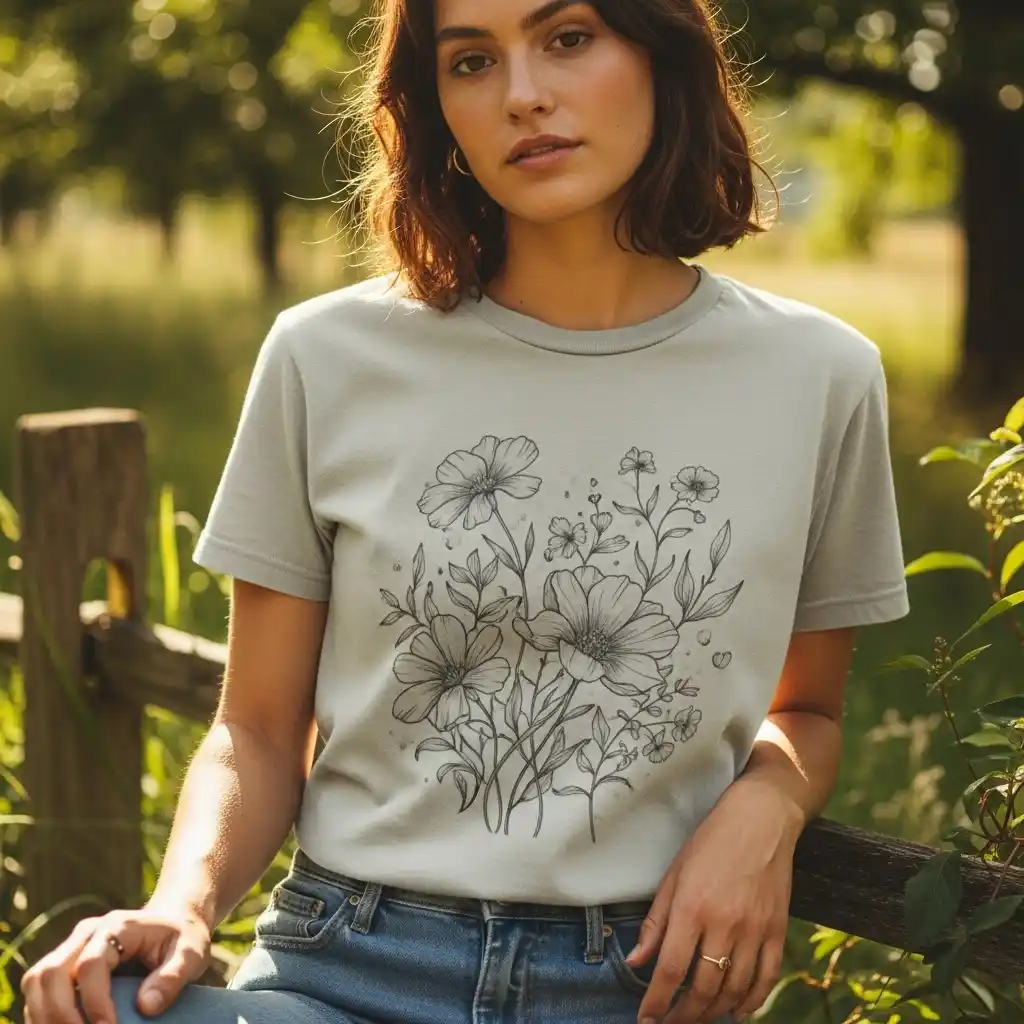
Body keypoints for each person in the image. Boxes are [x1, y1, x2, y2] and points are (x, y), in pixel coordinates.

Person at [21, 0, 911, 1021]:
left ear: (663, 55)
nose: (522, 94)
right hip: (340, 965)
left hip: (637, 985)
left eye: (567, 39)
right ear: (435, 105)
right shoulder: (326, 357)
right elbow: (259, 727)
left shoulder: (820, 375)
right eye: (472, 61)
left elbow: (808, 711)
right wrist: (181, 902)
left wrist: (767, 805)